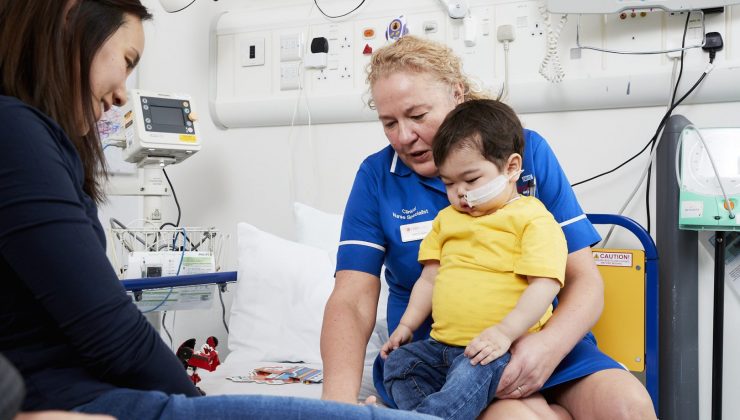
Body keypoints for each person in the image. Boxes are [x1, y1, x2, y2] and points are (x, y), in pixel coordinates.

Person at [0, 2, 434, 419]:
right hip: (80, 399)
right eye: (128, 61)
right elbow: (111, 333)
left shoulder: (503, 164)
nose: (121, 95)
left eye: (418, 114)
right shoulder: (16, 134)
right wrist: (200, 404)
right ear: (71, 20)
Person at [320, 35, 656, 419]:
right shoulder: (378, 177)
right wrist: (336, 406)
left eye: (417, 116)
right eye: (389, 123)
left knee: (630, 406)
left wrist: (546, 347)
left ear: (457, 95)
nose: (404, 136)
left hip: (543, 341)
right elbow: (351, 299)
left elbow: (585, 280)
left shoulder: (524, 153)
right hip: (445, 360)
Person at [380, 99, 570, 420]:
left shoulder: (532, 219)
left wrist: (505, 333)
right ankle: (428, 414)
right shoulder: (447, 219)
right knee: (398, 365)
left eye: (471, 180)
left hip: (495, 349)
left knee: (468, 376)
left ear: (511, 168)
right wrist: (406, 325)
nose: (459, 193)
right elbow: (429, 278)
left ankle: (430, 415)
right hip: (440, 345)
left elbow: (545, 284)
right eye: (449, 183)